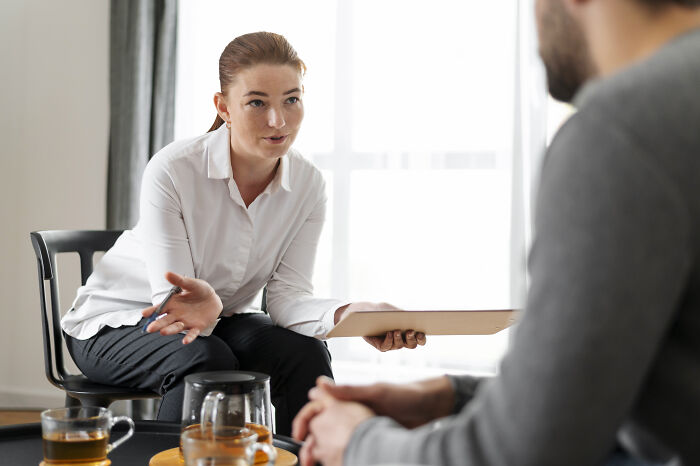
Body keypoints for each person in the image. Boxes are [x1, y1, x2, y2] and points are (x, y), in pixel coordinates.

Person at [292, 0, 700, 464]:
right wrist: (451, 395)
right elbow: (606, 386)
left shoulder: (620, 131)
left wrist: (358, 444)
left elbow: (519, 455)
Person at [61, 32, 425, 436]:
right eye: (257, 103)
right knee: (204, 359)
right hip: (114, 324)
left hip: (219, 322)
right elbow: (172, 304)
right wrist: (202, 302)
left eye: (291, 99)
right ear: (224, 107)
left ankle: (302, 460)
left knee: (303, 351)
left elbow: (287, 299)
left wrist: (350, 314)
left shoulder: (308, 183)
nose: (278, 121)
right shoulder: (173, 169)